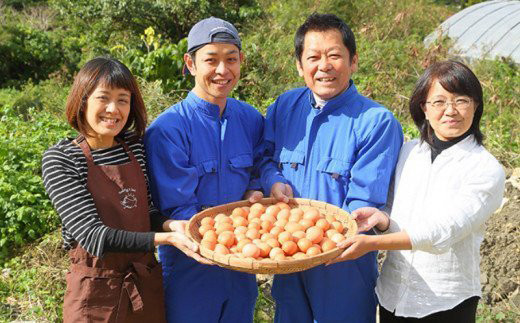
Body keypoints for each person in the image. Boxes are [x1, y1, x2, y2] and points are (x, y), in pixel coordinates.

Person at [333, 60, 506, 322]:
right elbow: (397, 210)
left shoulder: (485, 169)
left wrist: (373, 243)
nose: (451, 110)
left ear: (475, 106)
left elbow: (444, 231)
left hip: (446, 303)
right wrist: (383, 220)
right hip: (392, 295)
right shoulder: (409, 151)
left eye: (461, 100)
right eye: (439, 102)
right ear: (424, 108)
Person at [260, 13, 404, 323]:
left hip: (343, 263)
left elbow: (363, 201)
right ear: (300, 66)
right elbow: (266, 156)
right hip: (287, 259)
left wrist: (317, 239)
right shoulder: (284, 107)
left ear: (353, 61)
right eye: (313, 57)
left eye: (334, 55)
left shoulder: (376, 122)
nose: (324, 66)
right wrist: (272, 179)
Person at [41, 57, 206, 322]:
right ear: (82, 101)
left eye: (122, 99)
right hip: (96, 293)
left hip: (143, 287)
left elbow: (145, 209)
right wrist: (165, 239)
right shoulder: (62, 159)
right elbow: (94, 236)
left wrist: (171, 225)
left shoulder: (134, 146)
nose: (113, 109)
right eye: (103, 98)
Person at [144, 17, 264, 323]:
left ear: (241, 62)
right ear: (191, 63)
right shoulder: (169, 129)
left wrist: (257, 190)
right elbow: (179, 208)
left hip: (241, 265)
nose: (223, 71)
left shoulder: (250, 119)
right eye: (211, 60)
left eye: (231, 59)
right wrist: (232, 235)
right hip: (191, 265)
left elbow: (259, 170)